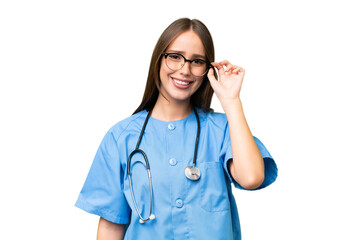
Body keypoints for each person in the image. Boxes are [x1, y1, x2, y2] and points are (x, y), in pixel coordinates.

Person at [75, 18, 278, 239]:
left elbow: (251, 178)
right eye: (175, 57)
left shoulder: (222, 130)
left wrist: (231, 101)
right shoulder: (120, 138)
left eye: (197, 61)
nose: (185, 69)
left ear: (207, 70)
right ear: (158, 60)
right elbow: (111, 226)